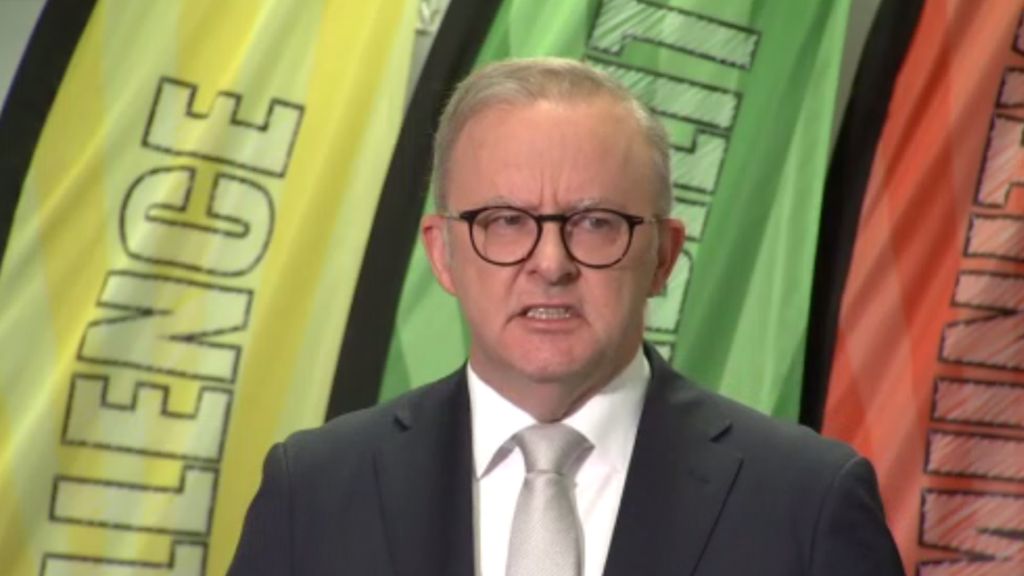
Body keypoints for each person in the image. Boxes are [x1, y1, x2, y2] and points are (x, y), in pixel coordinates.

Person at [228, 58, 904, 576]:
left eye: (596, 223)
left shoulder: (807, 502)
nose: (550, 263)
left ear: (664, 257)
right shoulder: (312, 492)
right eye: (505, 221)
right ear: (442, 254)